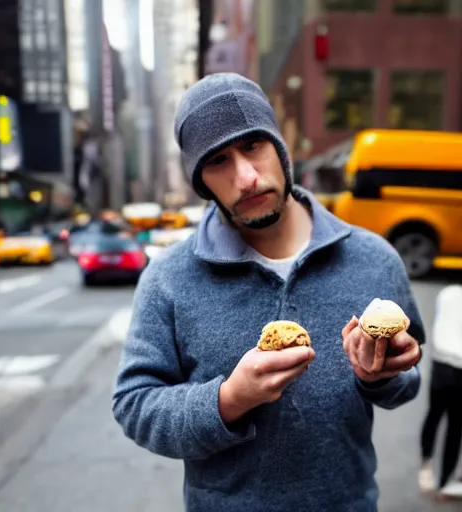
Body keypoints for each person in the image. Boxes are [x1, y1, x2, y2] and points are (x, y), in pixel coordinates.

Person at [112, 73, 425, 512]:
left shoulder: (374, 258)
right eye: (219, 160)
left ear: (280, 148)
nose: (246, 177)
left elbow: (408, 380)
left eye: (253, 146)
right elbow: (134, 404)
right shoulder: (168, 278)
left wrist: (384, 375)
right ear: (201, 182)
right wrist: (228, 399)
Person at [419, 284, 462, 500]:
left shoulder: (447, 293)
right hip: (458, 368)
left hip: (441, 363)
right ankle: (444, 483)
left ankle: (426, 465)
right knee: (455, 426)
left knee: (434, 415)